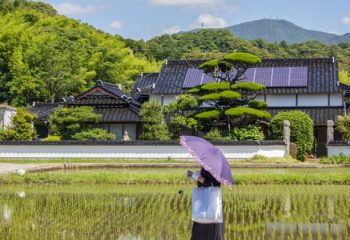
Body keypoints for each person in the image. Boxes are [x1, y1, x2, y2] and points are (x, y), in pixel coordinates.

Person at [187, 168, 224, 240]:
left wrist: (198, 177)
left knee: (211, 234)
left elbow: (212, 185)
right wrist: (194, 176)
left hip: (212, 206)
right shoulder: (205, 167)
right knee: (199, 232)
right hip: (203, 205)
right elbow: (204, 184)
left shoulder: (213, 168)